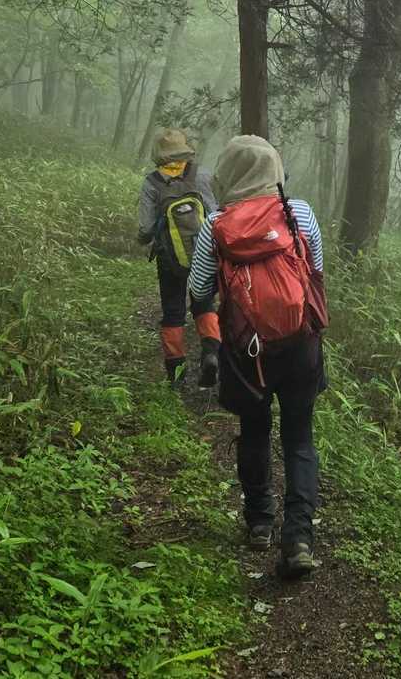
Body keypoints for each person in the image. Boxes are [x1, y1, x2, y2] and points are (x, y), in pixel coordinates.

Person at [187, 134, 327, 580]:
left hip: (247, 350)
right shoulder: (298, 212)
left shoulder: (217, 224)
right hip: (300, 343)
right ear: (274, 169)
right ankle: (299, 538)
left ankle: (260, 522)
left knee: (254, 430)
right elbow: (316, 272)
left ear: (228, 174)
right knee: (299, 438)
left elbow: (198, 288)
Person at [137, 128, 219, 386]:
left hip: (170, 259)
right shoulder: (201, 175)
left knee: (173, 311)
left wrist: (143, 239)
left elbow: (146, 228)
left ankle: (177, 373)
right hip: (205, 254)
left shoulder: (152, 182)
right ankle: (211, 353)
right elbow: (217, 213)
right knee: (204, 303)